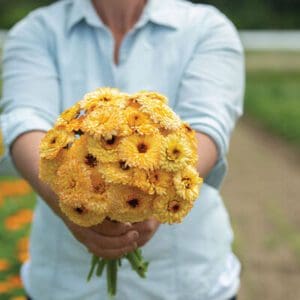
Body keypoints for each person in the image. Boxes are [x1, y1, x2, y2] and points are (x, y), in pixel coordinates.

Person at [0, 0, 244, 299]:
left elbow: (209, 123)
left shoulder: (207, 28)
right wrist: (73, 204)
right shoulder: (36, 31)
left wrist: (156, 200)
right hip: (65, 286)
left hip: (186, 282)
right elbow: (24, 121)